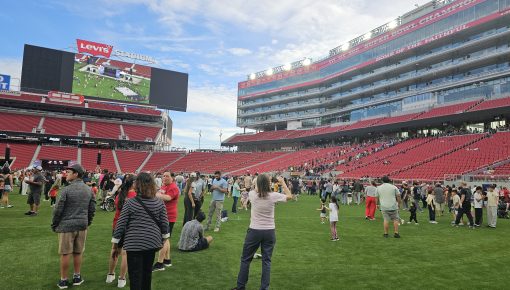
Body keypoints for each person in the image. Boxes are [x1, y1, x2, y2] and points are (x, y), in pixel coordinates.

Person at [112, 172, 170, 290]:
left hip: (134, 244)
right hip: (151, 242)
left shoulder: (130, 203)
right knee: (147, 273)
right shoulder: (159, 202)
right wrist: (164, 239)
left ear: (137, 184)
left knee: (135, 276)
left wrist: (115, 244)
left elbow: (121, 224)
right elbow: (165, 224)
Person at [233, 175, 292, 290]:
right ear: (268, 184)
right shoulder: (273, 196)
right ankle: (264, 288)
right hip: (269, 231)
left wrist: (257, 183)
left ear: (257, 184)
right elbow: (289, 196)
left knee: (245, 259)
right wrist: (282, 182)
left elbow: (254, 190)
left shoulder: (252, 195)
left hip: (254, 231)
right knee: (266, 261)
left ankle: (240, 287)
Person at [51, 163, 96, 289]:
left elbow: (58, 210)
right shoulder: (89, 190)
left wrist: (54, 224)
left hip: (66, 226)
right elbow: (92, 209)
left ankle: (64, 280)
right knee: (78, 252)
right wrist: (87, 222)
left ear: (76, 174)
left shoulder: (66, 190)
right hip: (82, 225)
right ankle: (77, 277)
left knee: (65, 254)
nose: (67, 174)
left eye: (69, 172)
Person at [106, 174, 136, 288]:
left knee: (114, 250)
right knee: (125, 253)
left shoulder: (120, 194)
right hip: (129, 226)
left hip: (117, 225)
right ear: (133, 183)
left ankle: (110, 275)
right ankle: (122, 279)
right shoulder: (135, 195)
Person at [153, 172, 180, 271]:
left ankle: (160, 263)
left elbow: (168, 198)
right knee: (166, 238)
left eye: (167, 176)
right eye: (163, 176)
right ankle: (167, 260)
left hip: (168, 216)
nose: (164, 177)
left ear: (172, 178)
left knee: (163, 239)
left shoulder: (173, 187)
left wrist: (154, 193)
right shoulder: (164, 186)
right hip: (163, 215)